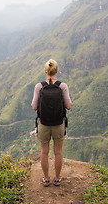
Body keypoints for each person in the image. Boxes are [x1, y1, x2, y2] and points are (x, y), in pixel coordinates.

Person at [31, 59, 72, 187]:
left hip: (43, 124)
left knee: (44, 151)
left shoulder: (39, 86)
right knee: (58, 152)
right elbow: (69, 106)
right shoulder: (62, 86)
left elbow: (34, 107)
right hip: (58, 124)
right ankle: (58, 178)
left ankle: (46, 178)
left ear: (45, 71)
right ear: (56, 71)